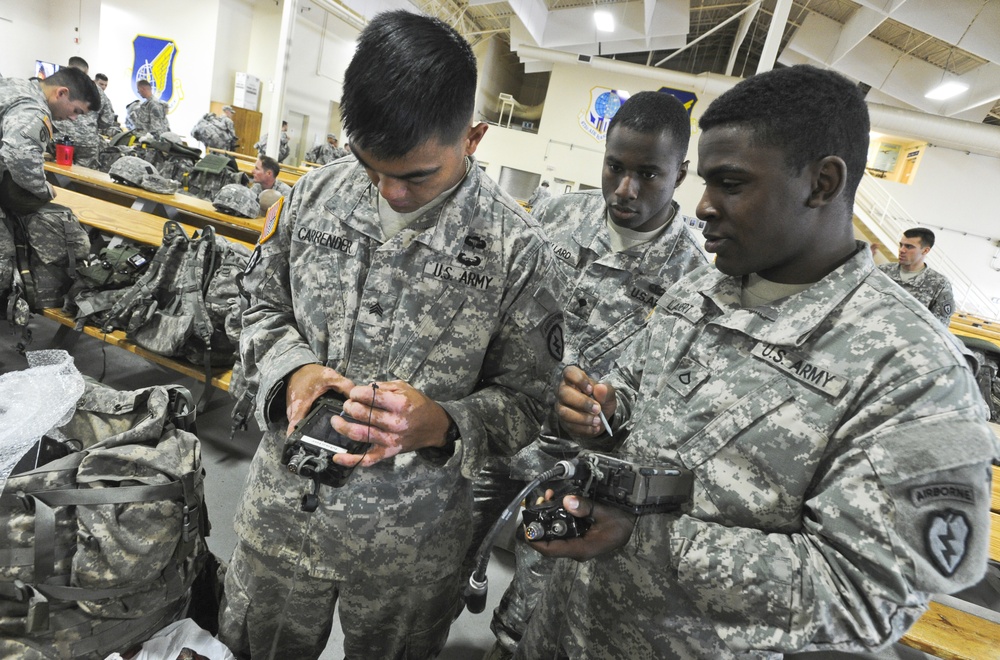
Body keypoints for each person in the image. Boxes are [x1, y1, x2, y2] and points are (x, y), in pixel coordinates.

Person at [516, 64, 997, 660]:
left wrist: (648, 541)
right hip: (569, 627)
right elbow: (639, 407)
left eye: (731, 184)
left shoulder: (917, 372)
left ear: (821, 183)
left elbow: (870, 595)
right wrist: (607, 411)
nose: (703, 207)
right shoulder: (699, 294)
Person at [216, 10, 562, 660]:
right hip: (286, 513)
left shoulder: (517, 251)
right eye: (371, 165)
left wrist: (441, 423)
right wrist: (292, 368)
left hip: (413, 544)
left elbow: (527, 405)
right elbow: (257, 304)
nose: (389, 190)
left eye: (416, 175)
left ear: (474, 137)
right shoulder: (313, 196)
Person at [481, 90, 707, 660]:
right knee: (441, 547)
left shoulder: (692, 279)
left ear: (681, 173)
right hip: (509, 424)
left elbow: (664, 394)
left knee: (533, 601)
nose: (626, 190)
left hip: (582, 465)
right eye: (615, 167)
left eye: (649, 174)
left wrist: (609, 414)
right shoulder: (560, 214)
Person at [0, 66, 98, 212]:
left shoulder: (15, 85)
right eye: (76, 111)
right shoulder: (35, 110)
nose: (73, 118)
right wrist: (44, 189)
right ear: (61, 93)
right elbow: (20, 157)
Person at [879, 228, 955, 326]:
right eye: (901, 245)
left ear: (925, 250)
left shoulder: (939, 283)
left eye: (909, 246)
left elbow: (940, 326)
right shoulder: (882, 271)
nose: (902, 250)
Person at [50, 57, 116, 168]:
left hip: (59, 139)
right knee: (83, 179)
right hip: (87, 141)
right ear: (86, 72)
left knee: (56, 173)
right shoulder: (97, 91)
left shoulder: (57, 85)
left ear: (68, 67)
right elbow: (108, 120)